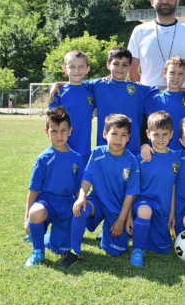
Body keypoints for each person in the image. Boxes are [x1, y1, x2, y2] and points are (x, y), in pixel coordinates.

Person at [59, 113, 140, 267]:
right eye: (114, 133)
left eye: (123, 135)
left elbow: (131, 194)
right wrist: (82, 196)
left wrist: (121, 220)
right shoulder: (97, 153)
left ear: (128, 138)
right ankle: (74, 251)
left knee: (116, 250)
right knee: (81, 208)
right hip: (98, 202)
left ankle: (106, 236)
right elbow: (87, 178)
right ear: (104, 134)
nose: (118, 139)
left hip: (117, 208)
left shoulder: (131, 161)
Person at [23, 106, 84, 267]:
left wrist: (79, 206)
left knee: (59, 248)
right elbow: (33, 190)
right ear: (47, 132)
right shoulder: (43, 158)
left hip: (67, 205)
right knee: (35, 213)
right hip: (47, 203)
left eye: (63, 130)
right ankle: (38, 251)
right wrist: (26, 219)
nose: (59, 135)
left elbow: (80, 189)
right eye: (54, 131)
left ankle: (42, 236)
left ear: (70, 131)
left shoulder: (77, 159)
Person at [127, 111, 180, 267]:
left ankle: (145, 236)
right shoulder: (141, 159)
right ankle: (138, 250)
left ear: (172, 134)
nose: (160, 139)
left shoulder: (176, 158)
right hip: (143, 204)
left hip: (163, 209)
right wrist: (129, 216)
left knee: (163, 248)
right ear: (148, 134)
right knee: (145, 211)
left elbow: (174, 186)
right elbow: (131, 190)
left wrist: (172, 212)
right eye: (156, 134)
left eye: (165, 134)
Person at [83, 47, 157, 155]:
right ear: (108, 65)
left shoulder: (138, 89)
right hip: (106, 150)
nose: (120, 68)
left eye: (124, 65)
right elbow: (75, 84)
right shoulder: (98, 85)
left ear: (130, 67)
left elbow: (166, 90)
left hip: (133, 150)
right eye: (116, 64)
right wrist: (58, 84)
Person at [49, 50, 96, 164]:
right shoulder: (58, 93)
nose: (77, 70)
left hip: (84, 150)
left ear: (87, 69)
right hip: (63, 149)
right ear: (65, 69)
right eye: (72, 67)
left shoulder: (91, 91)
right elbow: (52, 121)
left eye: (81, 67)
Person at [143, 56, 185, 150]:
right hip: (157, 153)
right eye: (172, 72)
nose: (176, 77)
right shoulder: (152, 98)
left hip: (184, 152)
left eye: (180, 74)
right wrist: (144, 145)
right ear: (164, 73)